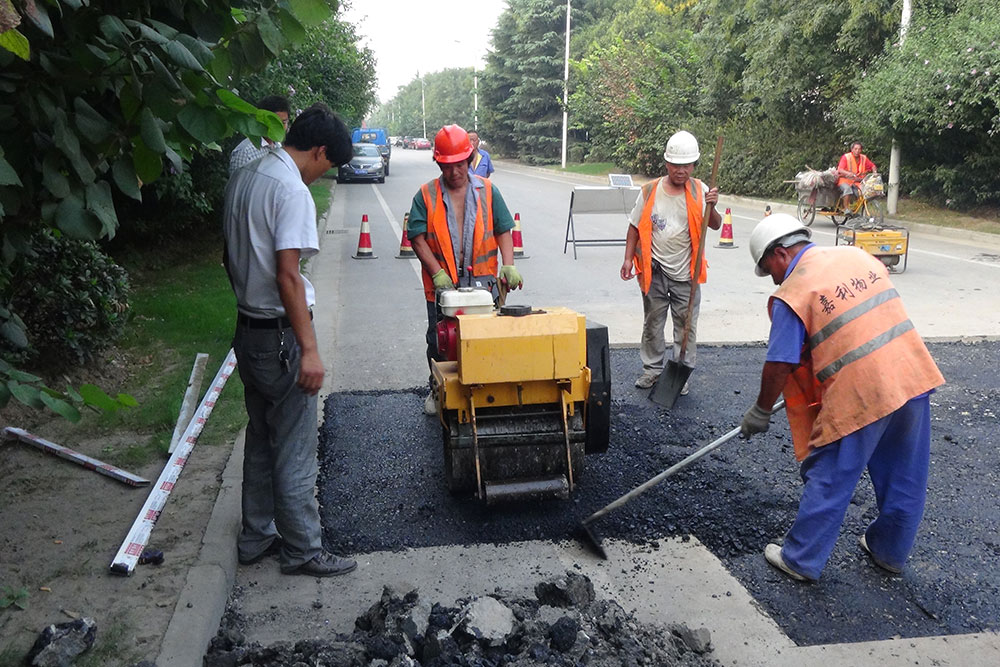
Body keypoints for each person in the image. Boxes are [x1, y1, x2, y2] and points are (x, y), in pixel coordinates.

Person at [740, 213, 944, 582]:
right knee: (904, 473)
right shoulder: (857, 257)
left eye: (768, 268)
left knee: (831, 471)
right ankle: (889, 551)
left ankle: (800, 559)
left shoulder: (794, 292)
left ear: (780, 254)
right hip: (911, 373)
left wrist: (761, 409)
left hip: (862, 389)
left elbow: (779, 363)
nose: (772, 277)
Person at [222, 103, 357, 577]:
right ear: (319, 151)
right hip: (280, 338)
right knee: (295, 443)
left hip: (247, 329)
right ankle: (303, 548)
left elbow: (228, 255)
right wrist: (311, 350)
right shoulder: (291, 190)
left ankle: (256, 535)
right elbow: (289, 276)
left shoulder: (248, 173)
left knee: (260, 436)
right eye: (328, 166)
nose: (324, 176)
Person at [407, 124, 522, 415]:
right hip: (442, 285)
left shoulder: (488, 191)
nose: (454, 172)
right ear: (438, 163)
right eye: (447, 166)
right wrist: (436, 272)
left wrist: (508, 265)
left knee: (484, 341)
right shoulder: (426, 195)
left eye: (459, 165)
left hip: (482, 285)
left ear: (469, 160)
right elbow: (416, 238)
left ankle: (484, 393)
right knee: (440, 340)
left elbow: (504, 229)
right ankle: (438, 390)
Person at [620, 130, 721, 393]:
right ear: (667, 164)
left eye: (686, 166)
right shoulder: (650, 191)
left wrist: (713, 205)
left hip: (687, 271)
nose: (681, 171)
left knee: (686, 325)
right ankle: (652, 370)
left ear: (693, 166)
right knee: (653, 321)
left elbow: (716, 224)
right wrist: (628, 259)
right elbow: (633, 227)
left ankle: (680, 374)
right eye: (676, 165)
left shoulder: (701, 190)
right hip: (654, 269)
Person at [229, 95, 291, 174]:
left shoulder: (278, 146)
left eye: (284, 122)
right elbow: (237, 185)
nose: (280, 128)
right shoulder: (245, 152)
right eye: (275, 122)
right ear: (261, 120)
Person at [835, 141, 876, 210]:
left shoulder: (863, 158)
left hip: (857, 182)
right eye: (855, 149)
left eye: (859, 149)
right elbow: (840, 169)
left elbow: (872, 166)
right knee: (847, 189)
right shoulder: (846, 157)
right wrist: (848, 173)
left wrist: (875, 173)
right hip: (844, 180)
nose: (857, 151)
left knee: (864, 192)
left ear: (861, 150)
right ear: (852, 149)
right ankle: (846, 209)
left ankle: (855, 209)